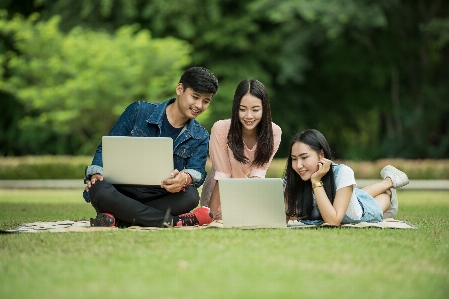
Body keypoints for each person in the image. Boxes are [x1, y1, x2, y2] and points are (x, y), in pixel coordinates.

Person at [83, 67, 218, 228]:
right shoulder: (138, 111)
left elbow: (197, 171)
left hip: (160, 195)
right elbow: (106, 148)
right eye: (195, 97)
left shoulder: (201, 136)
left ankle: (119, 218)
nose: (199, 105)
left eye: (206, 101)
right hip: (120, 191)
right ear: (180, 89)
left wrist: (185, 178)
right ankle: (174, 221)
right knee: (98, 189)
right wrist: (97, 173)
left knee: (190, 196)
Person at [283, 129, 409, 225]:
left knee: (381, 197)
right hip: (350, 196)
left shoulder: (343, 172)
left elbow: (333, 221)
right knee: (355, 194)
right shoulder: (294, 177)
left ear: (321, 154)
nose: (299, 165)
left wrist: (316, 181)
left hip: (363, 211)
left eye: (304, 157)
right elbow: (289, 216)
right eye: (294, 159)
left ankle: (389, 184)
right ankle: (388, 181)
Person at [200, 79, 282, 220]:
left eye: (255, 110)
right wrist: (210, 218)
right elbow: (222, 176)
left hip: (247, 192)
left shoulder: (273, 132)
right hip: (218, 195)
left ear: (265, 109)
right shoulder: (221, 129)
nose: (248, 116)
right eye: (242, 109)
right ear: (236, 108)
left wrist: (254, 208)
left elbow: (258, 175)